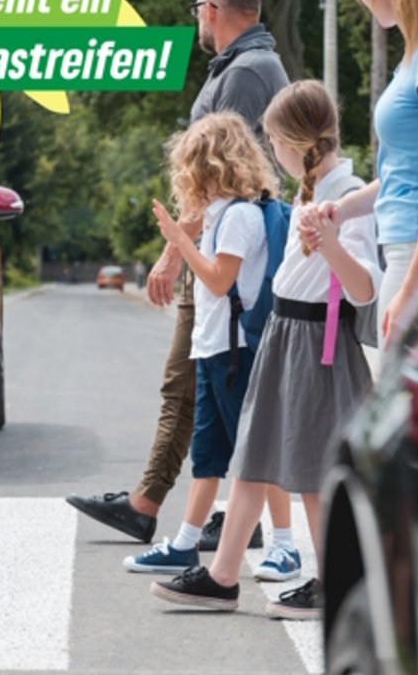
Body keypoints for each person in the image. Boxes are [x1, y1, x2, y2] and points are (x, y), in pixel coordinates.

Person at [66, 0, 289, 552]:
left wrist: (172, 255)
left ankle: (173, 509)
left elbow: (221, 177)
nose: (196, 17)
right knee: (201, 390)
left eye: (197, 6)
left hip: (221, 254)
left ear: (213, 11)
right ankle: (174, 505)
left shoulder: (244, 74)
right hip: (216, 247)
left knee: (202, 388)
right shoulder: (244, 67)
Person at [151, 81, 380, 618]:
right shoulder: (311, 186)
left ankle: (335, 583)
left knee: (312, 468)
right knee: (254, 457)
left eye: (275, 140)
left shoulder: (347, 195)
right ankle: (223, 576)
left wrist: (329, 241)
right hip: (285, 333)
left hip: (316, 341)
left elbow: (365, 288)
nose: (270, 151)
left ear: (297, 143)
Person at [125, 112, 276, 574]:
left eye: (191, 170)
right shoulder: (217, 217)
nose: (186, 182)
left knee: (256, 455)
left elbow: (217, 281)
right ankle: (186, 543)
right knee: (207, 455)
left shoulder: (238, 217)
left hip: (234, 353)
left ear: (211, 169)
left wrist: (179, 241)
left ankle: (285, 544)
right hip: (211, 349)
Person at [300, 0, 418, 349]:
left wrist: (411, 288)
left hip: (414, 252)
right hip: (404, 246)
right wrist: (340, 210)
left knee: (406, 405)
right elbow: (401, 176)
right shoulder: (414, 57)